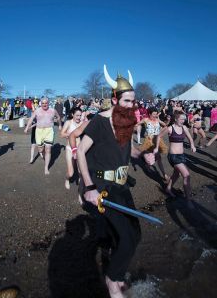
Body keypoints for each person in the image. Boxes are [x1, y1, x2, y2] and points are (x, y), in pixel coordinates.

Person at [77, 65, 155, 298]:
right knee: (127, 239)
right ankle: (113, 281)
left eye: (134, 101)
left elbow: (128, 148)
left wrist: (142, 154)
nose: (133, 106)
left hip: (121, 186)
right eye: (128, 101)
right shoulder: (99, 122)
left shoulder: (127, 122)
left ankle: (114, 270)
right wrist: (88, 187)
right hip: (100, 188)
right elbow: (80, 151)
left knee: (135, 234)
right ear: (114, 99)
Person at [154, 111, 196, 202]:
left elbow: (190, 138)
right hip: (173, 156)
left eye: (184, 119)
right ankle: (188, 199)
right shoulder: (170, 128)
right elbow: (159, 136)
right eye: (181, 119)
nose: (183, 121)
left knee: (176, 174)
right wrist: (156, 148)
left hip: (181, 155)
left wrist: (192, 145)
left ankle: (168, 189)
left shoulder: (184, 127)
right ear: (176, 119)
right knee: (186, 175)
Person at [24, 97, 62, 175]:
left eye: (46, 103)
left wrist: (60, 125)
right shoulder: (37, 111)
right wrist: (27, 127)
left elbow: (58, 117)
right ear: (41, 103)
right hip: (39, 131)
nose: (44, 104)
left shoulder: (53, 110)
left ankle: (46, 167)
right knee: (41, 150)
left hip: (49, 131)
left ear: (48, 103)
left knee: (48, 149)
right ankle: (42, 151)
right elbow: (31, 119)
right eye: (43, 103)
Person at [136, 107, 169, 181]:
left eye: (156, 114)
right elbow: (137, 124)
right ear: (149, 114)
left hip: (157, 140)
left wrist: (167, 120)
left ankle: (164, 174)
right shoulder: (145, 120)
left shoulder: (158, 120)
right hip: (149, 141)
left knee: (158, 157)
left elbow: (165, 125)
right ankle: (148, 165)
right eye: (153, 114)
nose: (155, 116)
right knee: (154, 158)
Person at [60, 107, 83, 189]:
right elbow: (62, 134)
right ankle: (67, 179)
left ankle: (81, 190)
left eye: (80, 115)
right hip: (70, 148)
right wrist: (72, 134)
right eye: (77, 115)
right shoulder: (68, 123)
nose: (79, 117)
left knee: (81, 172)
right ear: (72, 114)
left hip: (80, 150)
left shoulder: (82, 123)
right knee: (70, 173)